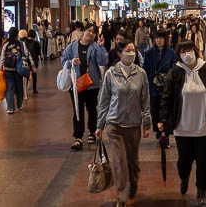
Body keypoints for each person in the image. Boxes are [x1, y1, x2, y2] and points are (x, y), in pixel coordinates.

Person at [158, 40, 206, 207]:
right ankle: (184, 177)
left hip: (204, 126)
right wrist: (163, 120)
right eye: (182, 51)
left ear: (195, 51)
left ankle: (201, 191)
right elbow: (167, 98)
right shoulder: (175, 73)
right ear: (178, 54)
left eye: (189, 50)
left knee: (203, 160)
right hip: (182, 126)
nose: (186, 54)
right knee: (184, 160)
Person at [96, 39, 151, 207]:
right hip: (115, 124)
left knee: (132, 160)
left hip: (133, 124)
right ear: (119, 54)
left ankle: (134, 181)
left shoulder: (141, 73)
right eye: (127, 50)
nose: (131, 53)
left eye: (133, 50)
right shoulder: (111, 74)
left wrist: (146, 123)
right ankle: (121, 196)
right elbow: (104, 100)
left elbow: (145, 100)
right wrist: (99, 125)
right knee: (119, 162)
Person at [61, 24, 107, 150]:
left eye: (94, 32)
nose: (91, 33)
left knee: (92, 109)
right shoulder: (73, 46)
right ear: (84, 31)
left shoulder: (96, 47)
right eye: (89, 30)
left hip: (92, 84)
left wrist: (101, 47)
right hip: (77, 83)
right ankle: (78, 136)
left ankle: (92, 132)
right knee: (77, 109)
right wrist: (71, 62)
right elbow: (63, 59)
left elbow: (102, 62)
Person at [143, 30, 176, 140]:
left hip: (167, 86)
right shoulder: (149, 53)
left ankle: (165, 132)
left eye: (161, 38)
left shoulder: (171, 53)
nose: (158, 40)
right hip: (153, 86)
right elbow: (145, 70)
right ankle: (158, 129)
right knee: (155, 109)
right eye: (156, 38)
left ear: (165, 40)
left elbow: (174, 68)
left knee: (166, 108)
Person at [0, 28, 27, 114]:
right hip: (18, 69)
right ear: (16, 35)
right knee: (19, 87)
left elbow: (2, 57)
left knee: (10, 88)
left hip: (8, 69)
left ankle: (10, 108)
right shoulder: (21, 44)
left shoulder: (5, 44)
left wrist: (0, 67)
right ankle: (19, 105)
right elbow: (25, 54)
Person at [23, 29, 42, 95]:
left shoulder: (24, 42)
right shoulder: (36, 43)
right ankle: (34, 90)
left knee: (25, 75)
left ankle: (25, 88)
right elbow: (39, 53)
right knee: (34, 75)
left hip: (26, 60)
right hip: (34, 60)